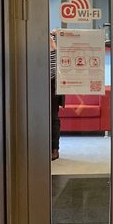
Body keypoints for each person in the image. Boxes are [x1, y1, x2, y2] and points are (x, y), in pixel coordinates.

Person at [50, 30, 61, 161]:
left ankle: (55, 148)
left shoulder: (55, 38)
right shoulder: (33, 40)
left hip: (53, 83)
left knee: (53, 117)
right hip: (36, 83)